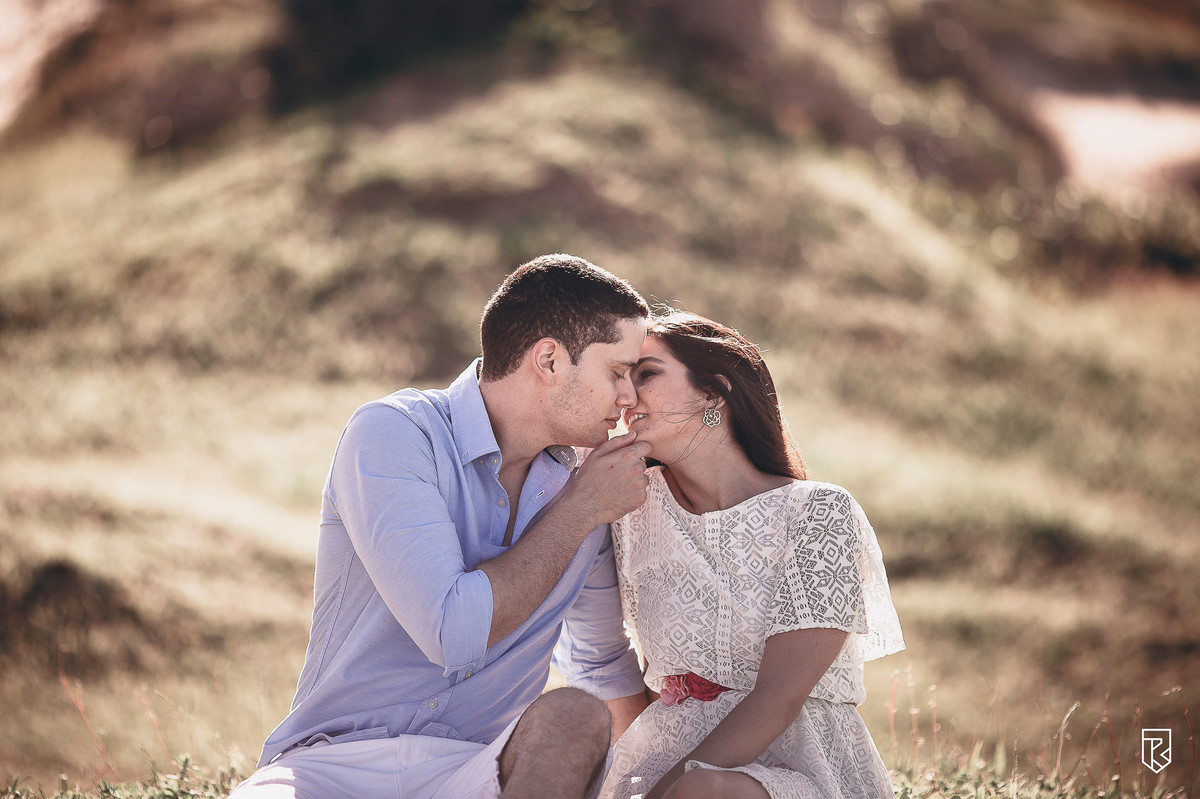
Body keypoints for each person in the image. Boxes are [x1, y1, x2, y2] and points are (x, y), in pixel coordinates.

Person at [230, 254, 654, 799]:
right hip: (332, 768)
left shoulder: (585, 489)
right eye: (618, 372)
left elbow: (602, 665)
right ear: (548, 359)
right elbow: (453, 631)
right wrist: (578, 510)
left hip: (474, 774)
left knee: (575, 714)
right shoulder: (392, 435)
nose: (629, 398)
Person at [600, 312, 905, 799]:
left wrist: (665, 794)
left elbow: (779, 697)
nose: (626, 397)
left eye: (647, 375)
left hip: (801, 765)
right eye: (621, 378)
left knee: (701, 792)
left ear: (714, 391)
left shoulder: (819, 513)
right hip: (661, 756)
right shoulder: (628, 507)